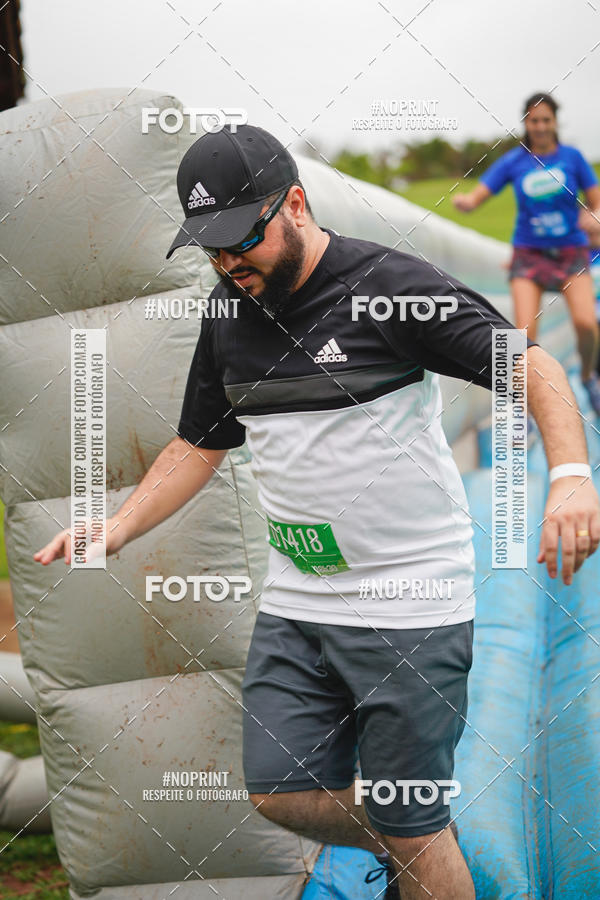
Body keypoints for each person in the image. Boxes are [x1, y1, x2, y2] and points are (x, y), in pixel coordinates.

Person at [35, 125, 600, 900]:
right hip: (298, 603)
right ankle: (418, 839)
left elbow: (528, 364)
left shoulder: (388, 286)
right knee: (280, 792)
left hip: (411, 603)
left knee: (410, 820)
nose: (229, 262)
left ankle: (418, 840)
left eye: (243, 239)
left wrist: (569, 476)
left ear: (295, 204)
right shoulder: (228, 311)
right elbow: (199, 442)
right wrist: (119, 526)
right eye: (211, 248)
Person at [453, 92, 600, 417]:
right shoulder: (514, 162)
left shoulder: (573, 158)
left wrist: (594, 215)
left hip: (571, 253)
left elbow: (596, 200)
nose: (541, 126)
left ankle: (589, 376)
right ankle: (523, 404)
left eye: (546, 120)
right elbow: (478, 197)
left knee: (587, 324)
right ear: (526, 123)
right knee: (522, 336)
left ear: (555, 122)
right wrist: (465, 202)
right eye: (534, 120)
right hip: (529, 255)